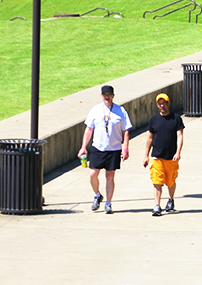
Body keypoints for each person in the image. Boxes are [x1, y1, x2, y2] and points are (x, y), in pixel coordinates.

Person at [78, 85, 132, 214]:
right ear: (101, 96)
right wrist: (83, 147)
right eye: (104, 95)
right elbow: (89, 129)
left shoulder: (120, 110)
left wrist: (125, 149)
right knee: (92, 174)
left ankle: (108, 203)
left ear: (113, 96)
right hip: (98, 147)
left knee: (110, 176)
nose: (107, 97)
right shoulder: (95, 110)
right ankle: (97, 194)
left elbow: (126, 131)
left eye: (109, 94)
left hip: (114, 149)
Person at [143, 93, 184, 216]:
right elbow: (150, 137)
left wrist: (178, 152)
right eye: (160, 104)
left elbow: (179, 136)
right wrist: (146, 155)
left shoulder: (176, 118)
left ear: (168, 104)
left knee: (170, 181)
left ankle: (171, 200)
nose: (162, 106)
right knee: (156, 181)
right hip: (157, 156)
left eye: (164, 103)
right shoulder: (153, 119)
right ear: (157, 105)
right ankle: (157, 206)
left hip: (171, 157)